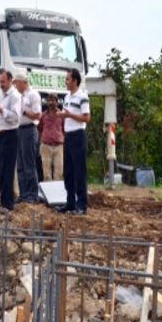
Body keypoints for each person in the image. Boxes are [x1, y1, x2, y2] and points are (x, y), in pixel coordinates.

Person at [56, 68, 90, 214]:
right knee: (68, 172)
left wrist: (70, 116)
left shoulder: (82, 97)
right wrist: (61, 115)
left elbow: (86, 118)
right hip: (68, 136)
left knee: (79, 172)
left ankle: (82, 205)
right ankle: (70, 202)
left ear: (75, 81)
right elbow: (67, 114)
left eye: (68, 79)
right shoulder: (67, 97)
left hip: (78, 135)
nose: (66, 82)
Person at [0, 70, 22, 212]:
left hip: (10, 136)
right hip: (0, 136)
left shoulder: (15, 96)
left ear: (10, 80)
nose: (1, 85)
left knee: (8, 170)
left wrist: (1, 110)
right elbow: (1, 117)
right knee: (0, 169)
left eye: (3, 82)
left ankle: (8, 204)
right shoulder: (1, 95)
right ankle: (3, 201)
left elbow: (15, 117)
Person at [14, 72, 42, 203]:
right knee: (20, 165)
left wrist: (24, 111)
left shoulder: (33, 95)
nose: (15, 86)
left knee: (29, 164)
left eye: (16, 83)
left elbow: (37, 115)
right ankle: (23, 194)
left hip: (29, 130)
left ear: (23, 82)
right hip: (19, 130)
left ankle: (32, 194)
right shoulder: (20, 96)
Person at [38, 93, 64, 180]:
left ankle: (57, 193)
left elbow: (65, 130)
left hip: (59, 146)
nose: (51, 102)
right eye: (49, 100)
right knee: (46, 174)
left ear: (57, 102)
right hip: (46, 146)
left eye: (53, 100)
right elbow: (39, 128)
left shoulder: (61, 115)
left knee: (59, 173)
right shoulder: (43, 115)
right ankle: (48, 193)